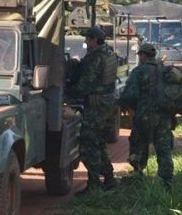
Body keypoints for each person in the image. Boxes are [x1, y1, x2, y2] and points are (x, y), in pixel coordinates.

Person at [67, 26, 118, 195]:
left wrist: (67, 94)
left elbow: (85, 85)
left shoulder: (94, 58)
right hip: (107, 104)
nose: (85, 42)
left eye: (87, 39)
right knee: (99, 142)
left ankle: (94, 185)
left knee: (88, 145)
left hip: (96, 106)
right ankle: (109, 179)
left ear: (94, 40)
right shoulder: (109, 54)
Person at [119, 43, 174, 191]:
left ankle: (138, 175)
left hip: (145, 116)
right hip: (165, 116)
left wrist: (122, 104)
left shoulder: (139, 71)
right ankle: (166, 183)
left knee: (138, 144)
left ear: (143, 55)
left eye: (140, 55)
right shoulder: (165, 70)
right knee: (164, 149)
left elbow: (131, 94)